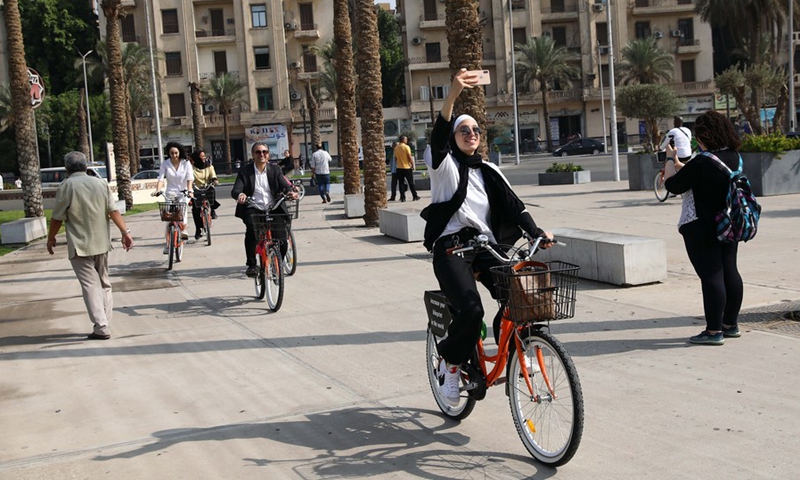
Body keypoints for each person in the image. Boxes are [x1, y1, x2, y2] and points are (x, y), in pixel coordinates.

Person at [423, 68, 553, 406]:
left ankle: (515, 350)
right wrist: (452, 94)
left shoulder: (490, 170)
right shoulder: (443, 166)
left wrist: (537, 231)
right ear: (454, 136)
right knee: (470, 310)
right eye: (463, 130)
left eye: (475, 130)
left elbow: (515, 206)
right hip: (452, 246)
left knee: (522, 300)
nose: (471, 134)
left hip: (485, 246)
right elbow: (437, 138)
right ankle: (451, 365)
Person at [664, 110, 744, 346]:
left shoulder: (702, 161)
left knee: (711, 276)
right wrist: (680, 163)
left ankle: (713, 331)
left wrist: (669, 159)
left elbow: (673, 185)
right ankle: (730, 325)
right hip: (729, 222)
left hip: (702, 226)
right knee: (730, 270)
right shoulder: (734, 157)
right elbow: (700, 175)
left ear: (706, 135)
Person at [46, 151, 134, 340]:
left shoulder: (66, 186)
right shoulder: (100, 183)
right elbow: (113, 210)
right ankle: (104, 322)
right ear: (86, 166)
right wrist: (125, 233)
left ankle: (101, 326)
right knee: (104, 283)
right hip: (101, 242)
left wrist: (51, 237)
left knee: (90, 285)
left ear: (67, 168)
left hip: (79, 245)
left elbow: (57, 217)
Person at [231, 142, 297, 278]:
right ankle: (251, 264)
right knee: (251, 230)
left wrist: (290, 192)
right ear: (253, 155)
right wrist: (240, 195)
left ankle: (276, 262)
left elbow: (284, 185)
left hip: (274, 206)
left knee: (282, 241)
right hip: (254, 207)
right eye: (258, 152)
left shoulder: (275, 170)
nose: (262, 154)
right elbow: (236, 189)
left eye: (264, 152)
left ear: (268, 155)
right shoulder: (245, 171)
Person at [154, 142, 194, 247]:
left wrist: (189, 190)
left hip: (183, 192)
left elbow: (190, 178)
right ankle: (168, 244)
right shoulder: (165, 164)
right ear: (169, 153)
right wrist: (158, 190)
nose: (174, 155)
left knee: (182, 212)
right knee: (168, 218)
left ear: (179, 152)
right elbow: (161, 178)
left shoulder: (186, 163)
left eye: (176, 153)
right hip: (170, 192)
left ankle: (184, 230)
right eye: (171, 153)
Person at [189, 149, 220, 240]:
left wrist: (214, 181)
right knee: (195, 209)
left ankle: (212, 209)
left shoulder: (209, 167)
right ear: (196, 158)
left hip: (207, 187)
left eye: (204, 156)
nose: (204, 158)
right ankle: (198, 229)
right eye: (201, 156)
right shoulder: (191, 168)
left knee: (212, 190)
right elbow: (189, 178)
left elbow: (213, 176)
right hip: (196, 188)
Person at [394, 135, 420, 202]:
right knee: (411, 182)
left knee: (401, 183)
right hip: (406, 167)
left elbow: (395, 158)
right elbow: (409, 156)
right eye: (406, 139)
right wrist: (412, 164)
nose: (407, 140)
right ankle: (415, 196)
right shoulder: (406, 147)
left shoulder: (396, 148)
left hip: (399, 168)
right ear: (403, 140)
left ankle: (402, 197)